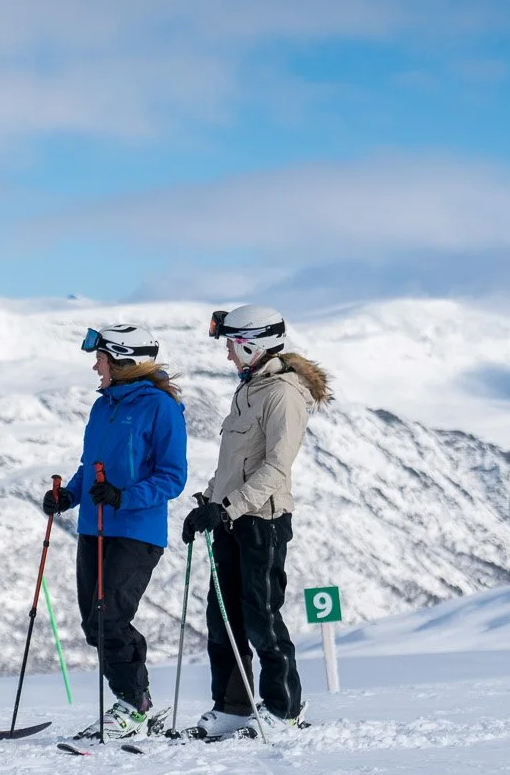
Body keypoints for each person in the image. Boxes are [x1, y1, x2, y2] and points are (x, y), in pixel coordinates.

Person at [180, 304, 330, 739]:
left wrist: (226, 508)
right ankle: (234, 707)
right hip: (230, 519)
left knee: (261, 616)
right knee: (222, 618)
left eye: (232, 346)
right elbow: (234, 463)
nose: (228, 356)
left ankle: (284, 709)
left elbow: (275, 469)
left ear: (253, 345)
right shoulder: (247, 390)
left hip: (262, 522)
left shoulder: (282, 395)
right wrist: (208, 501)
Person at [42, 323, 188, 739]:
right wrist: (69, 496)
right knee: (94, 623)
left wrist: (125, 496)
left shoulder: (160, 407)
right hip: (94, 527)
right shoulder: (102, 407)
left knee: (111, 618)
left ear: (123, 362)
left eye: (101, 359)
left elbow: (172, 476)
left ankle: (132, 705)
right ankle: (134, 700)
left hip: (136, 531)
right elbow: (89, 466)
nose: (95, 367)